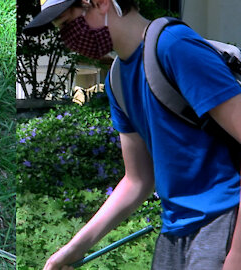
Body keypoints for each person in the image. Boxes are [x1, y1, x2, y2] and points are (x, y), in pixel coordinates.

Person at [23, 0, 241, 269]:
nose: (69, 39)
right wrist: (71, 250)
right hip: (175, 230)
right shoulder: (116, 81)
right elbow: (137, 180)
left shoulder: (174, 46)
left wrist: (237, 255)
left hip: (224, 222)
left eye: (69, 24)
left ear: (101, 2)